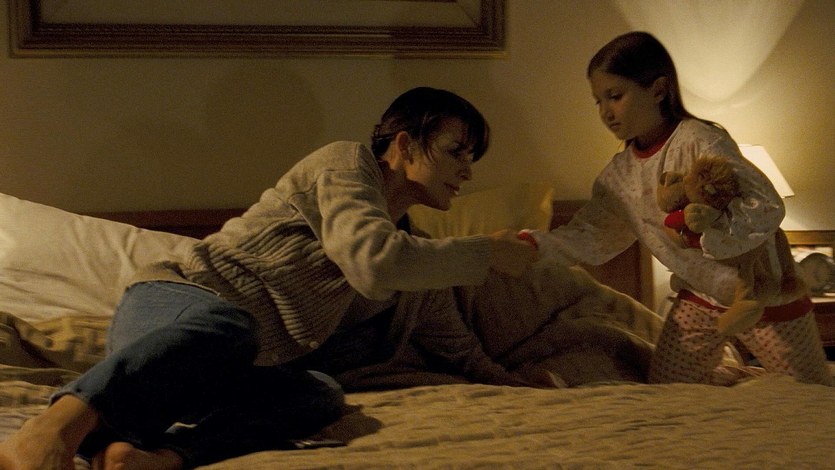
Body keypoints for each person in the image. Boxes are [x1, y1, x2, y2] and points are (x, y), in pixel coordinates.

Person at [0, 87, 551, 470]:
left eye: (471, 158)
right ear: (404, 144)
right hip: (175, 307)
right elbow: (371, 259)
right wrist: (486, 252)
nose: (467, 171)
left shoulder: (419, 256)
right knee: (231, 325)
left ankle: (156, 457)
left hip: (235, 362)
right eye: (456, 151)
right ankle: (51, 429)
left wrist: (513, 382)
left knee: (320, 395)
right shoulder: (344, 165)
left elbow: (454, 343)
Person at [523, 32, 832, 387]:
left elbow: (764, 203)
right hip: (698, 297)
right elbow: (592, 236)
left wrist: (706, 237)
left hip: (762, 294)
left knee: (812, 394)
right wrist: (532, 245)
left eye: (615, 96)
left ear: (658, 90)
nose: (606, 112)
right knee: (668, 389)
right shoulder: (620, 176)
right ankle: (740, 383)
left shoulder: (700, 140)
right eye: (598, 101)